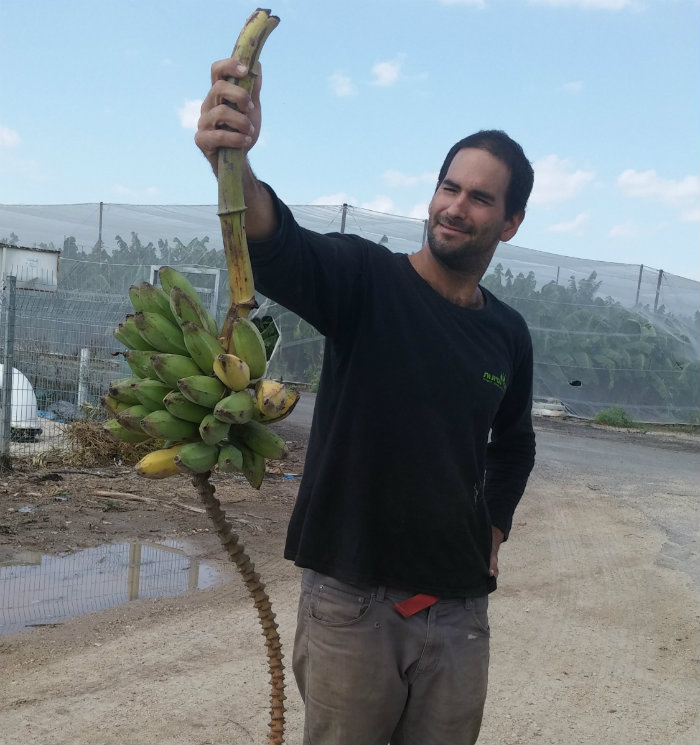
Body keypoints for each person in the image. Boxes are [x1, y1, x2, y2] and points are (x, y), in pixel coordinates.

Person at [196, 58, 536, 745]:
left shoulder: (507, 334)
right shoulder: (365, 281)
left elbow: (516, 441)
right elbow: (278, 242)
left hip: (460, 610)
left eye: (478, 198)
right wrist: (232, 162)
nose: (454, 206)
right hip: (354, 603)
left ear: (510, 223)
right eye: (449, 187)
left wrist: (494, 524)